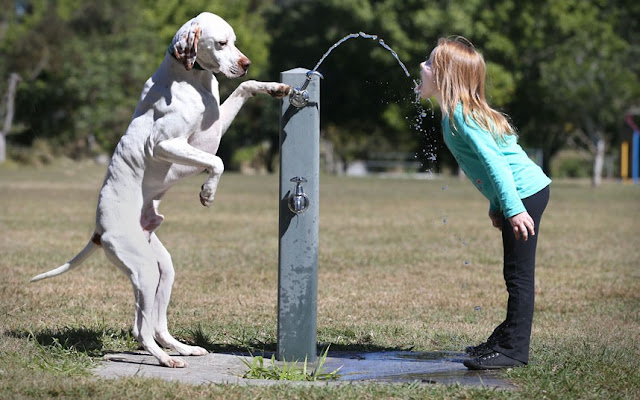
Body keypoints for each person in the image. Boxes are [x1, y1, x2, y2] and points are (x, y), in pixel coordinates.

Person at [417, 36, 551, 370]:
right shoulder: (455, 114)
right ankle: (504, 339)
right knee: (514, 273)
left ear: (446, 76)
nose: (422, 66)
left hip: (524, 195)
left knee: (519, 275)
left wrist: (514, 208)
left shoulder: (461, 115)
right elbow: (491, 166)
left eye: (431, 63)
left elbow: (497, 164)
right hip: (518, 195)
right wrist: (498, 205)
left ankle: (514, 351)